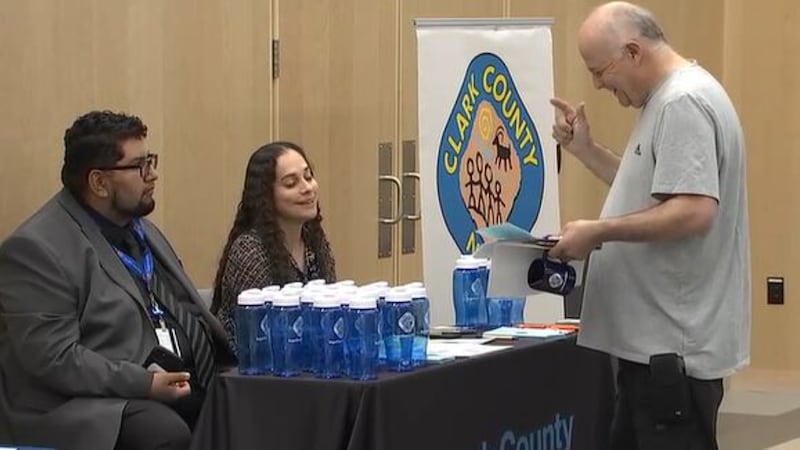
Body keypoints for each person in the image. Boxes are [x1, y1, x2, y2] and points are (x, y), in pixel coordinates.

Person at [548, 3, 750, 450]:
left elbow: (694, 210)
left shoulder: (683, 103)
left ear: (633, 52)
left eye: (600, 71)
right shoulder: (670, 99)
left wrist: (597, 232)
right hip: (653, 355)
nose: (598, 85)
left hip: (671, 359)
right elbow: (661, 190)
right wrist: (586, 149)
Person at [0, 110, 236, 450]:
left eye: (151, 160)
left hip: (164, 378)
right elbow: (54, 359)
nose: (153, 175)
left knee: (256, 403)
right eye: (140, 166)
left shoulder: (141, 230)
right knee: (163, 431)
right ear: (98, 182)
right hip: (73, 403)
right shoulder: (36, 249)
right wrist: (144, 384)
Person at [211, 141, 336, 351]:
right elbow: (261, 339)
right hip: (254, 371)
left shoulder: (315, 241)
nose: (307, 188)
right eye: (291, 183)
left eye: (308, 177)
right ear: (266, 196)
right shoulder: (250, 251)